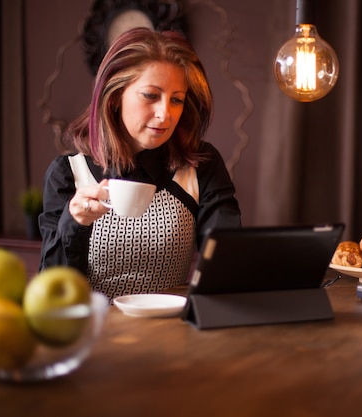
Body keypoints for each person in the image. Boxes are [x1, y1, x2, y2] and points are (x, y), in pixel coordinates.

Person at [38, 28, 241, 300]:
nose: (165, 114)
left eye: (177, 100)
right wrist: (73, 222)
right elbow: (52, 294)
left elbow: (227, 261)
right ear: (114, 96)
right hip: (97, 334)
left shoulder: (200, 165)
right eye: (150, 95)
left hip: (173, 333)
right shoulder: (68, 174)